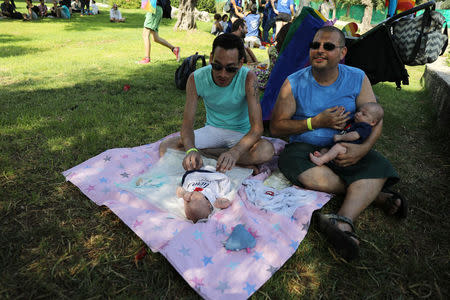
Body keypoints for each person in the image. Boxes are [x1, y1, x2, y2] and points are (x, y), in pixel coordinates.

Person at [270, 26, 405, 261]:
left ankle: (343, 220)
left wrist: (362, 149)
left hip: (347, 149)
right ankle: (374, 194)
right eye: (315, 45)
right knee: (291, 163)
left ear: (342, 53)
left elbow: (376, 119)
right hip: (305, 150)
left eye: (329, 46)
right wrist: (315, 122)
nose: (320, 50)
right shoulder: (294, 83)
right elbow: (277, 127)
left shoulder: (356, 77)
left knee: (377, 163)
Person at [159, 33, 274, 173]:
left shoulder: (249, 78)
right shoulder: (195, 79)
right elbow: (187, 125)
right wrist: (191, 150)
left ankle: (210, 156)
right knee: (166, 146)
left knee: (266, 150)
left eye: (230, 69)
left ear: (240, 63)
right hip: (213, 130)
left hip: (242, 135)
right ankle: (230, 162)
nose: (223, 74)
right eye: (217, 66)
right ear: (211, 58)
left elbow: (257, 129)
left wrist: (235, 152)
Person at [310, 102, 384, 166]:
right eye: (359, 111)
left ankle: (321, 161)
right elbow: (343, 126)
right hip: (340, 145)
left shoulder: (365, 127)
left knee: (337, 147)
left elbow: (354, 136)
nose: (358, 114)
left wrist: (340, 137)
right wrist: (340, 116)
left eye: (364, 114)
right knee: (325, 149)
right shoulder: (354, 121)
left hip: (348, 149)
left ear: (373, 122)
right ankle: (324, 157)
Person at [138, 0, 180, 64]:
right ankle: (174, 49)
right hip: (157, 9)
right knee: (155, 38)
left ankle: (147, 58)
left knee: (145, 34)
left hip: (154, 8)